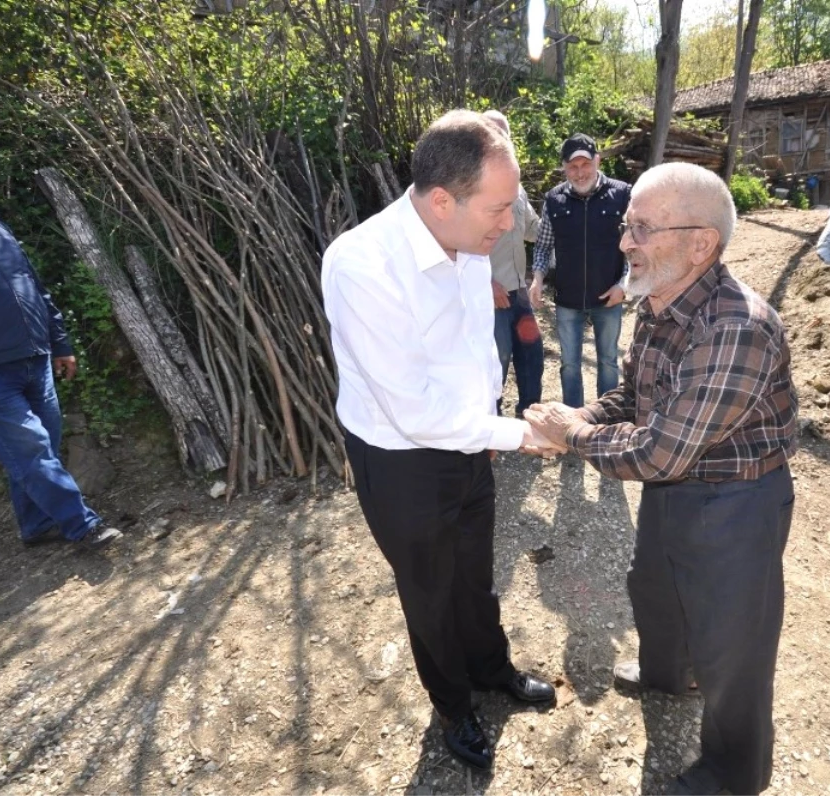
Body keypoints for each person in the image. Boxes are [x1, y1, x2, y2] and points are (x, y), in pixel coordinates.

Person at [524, 163, 798, 796]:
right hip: (676, 487)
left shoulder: (737, 327)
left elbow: (660, 450)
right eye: (628, 226)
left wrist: (572, 436)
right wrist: (581, 416)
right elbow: (636, 400)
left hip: (737, 501)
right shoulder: (659, 300)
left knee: (735, 647)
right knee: (655, 591)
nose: (625, 242)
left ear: (701, 243)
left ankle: (734, 773)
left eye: (642, 228)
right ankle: (668, 679)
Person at [321, 110, 557, 772]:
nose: (509, 223)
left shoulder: (464, 243)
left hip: (467, 439)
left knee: (475, 574)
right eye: (501, 207)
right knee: (428, 587)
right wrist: (518, 433)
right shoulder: (363, 265)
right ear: (443, 199)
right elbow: (410, 408)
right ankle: (453, 705)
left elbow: (471, 348)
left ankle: (490, 670)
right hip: (401, 459)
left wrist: (486, 418)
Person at [0, 149, 121, 550]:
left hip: (32, 357)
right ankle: (82, 526)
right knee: (31, 449)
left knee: (41, 449)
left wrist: (59, 341)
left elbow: (31, 284)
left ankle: (35, 526)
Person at [530, 133, 631, 408]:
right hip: (568, 300)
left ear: (597, 161)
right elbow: (542, 247)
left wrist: (624, 284)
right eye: (572, 166)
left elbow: (635, 247)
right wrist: (537, 278)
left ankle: (606, 417)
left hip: (608, 295)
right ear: (564, 167)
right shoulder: (554, 200)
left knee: (608, 361)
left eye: (585, 164)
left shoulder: (622, 195)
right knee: (570, 364)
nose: (579, 172)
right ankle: (574, 420)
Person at [481, 110, 544, 417]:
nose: (498, 138)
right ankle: (490, 421)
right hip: (491, 294)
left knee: (531, 353)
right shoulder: (469, 186)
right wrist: (485, 282)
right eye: (491, 132)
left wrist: (566, 229)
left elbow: (533, 228)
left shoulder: (515, 188)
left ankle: (530, 415)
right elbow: (458, 246)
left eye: (502, 133)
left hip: (518, 288)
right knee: (497, 358)